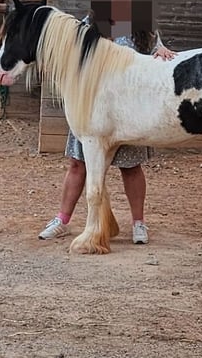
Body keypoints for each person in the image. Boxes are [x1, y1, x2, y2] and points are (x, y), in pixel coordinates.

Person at [39, 13, 176, 244]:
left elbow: (156, 58)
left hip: (128, 112)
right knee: (78, 165)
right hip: (90, 108)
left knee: (131, 167)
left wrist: (161, 51)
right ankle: (62, 220)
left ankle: (138, 223)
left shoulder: (143, 28)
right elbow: (72, 53)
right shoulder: (89, 24)